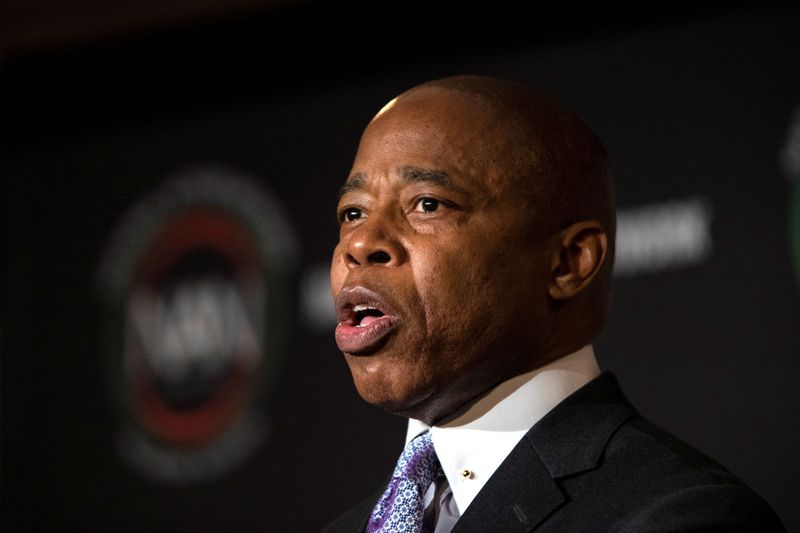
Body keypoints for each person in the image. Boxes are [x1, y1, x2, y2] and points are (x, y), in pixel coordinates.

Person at [323, 75, 785, 532]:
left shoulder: (683, 516)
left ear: (568, 263)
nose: (361, 243)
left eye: (428, 204)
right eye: (353, 213)